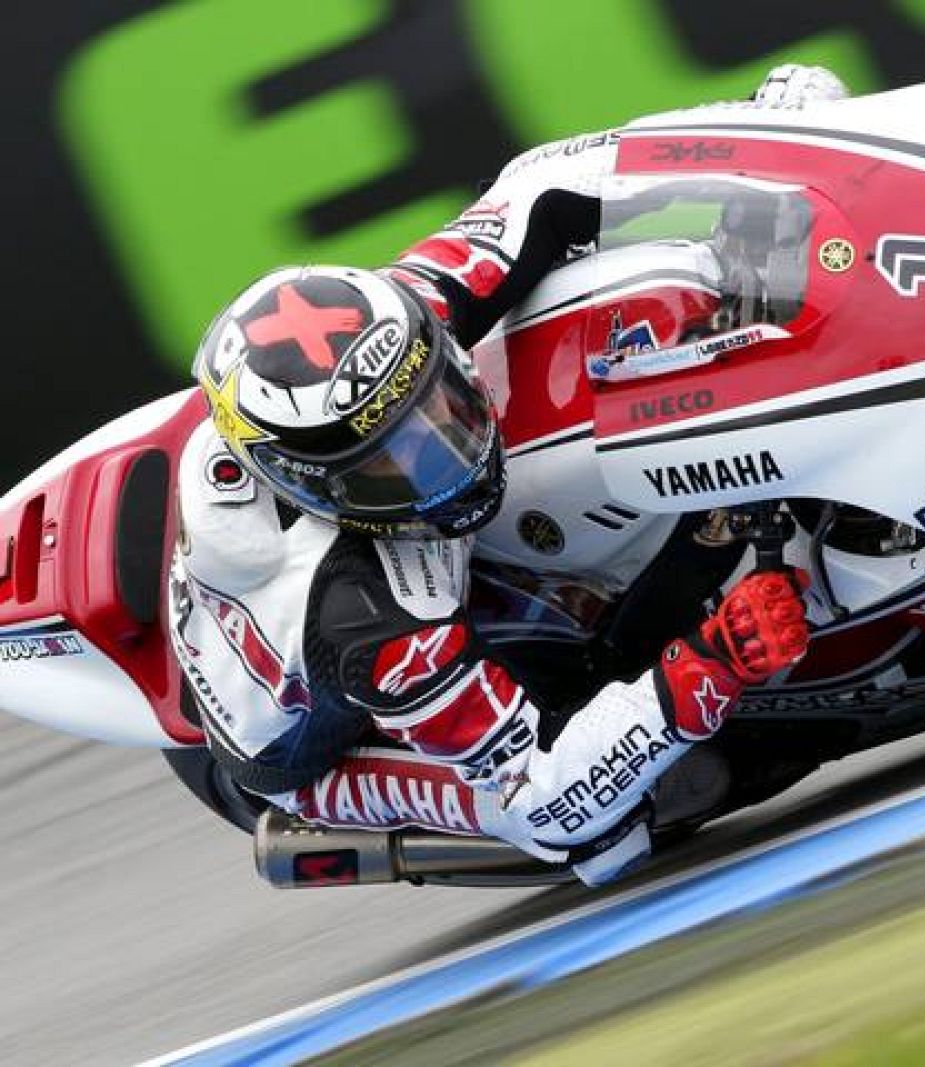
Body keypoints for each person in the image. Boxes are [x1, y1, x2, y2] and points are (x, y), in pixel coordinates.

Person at [167, 65, 847, 884]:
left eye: (440, 404)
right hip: (307, 747)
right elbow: (543, 791)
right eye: (393, 460)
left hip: (405, 551)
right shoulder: (370, 618)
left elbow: (547, 181)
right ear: (320, 489)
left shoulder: (400, 320)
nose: (443, 452)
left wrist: (764, 141)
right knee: (609, 829)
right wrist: (711, 662)